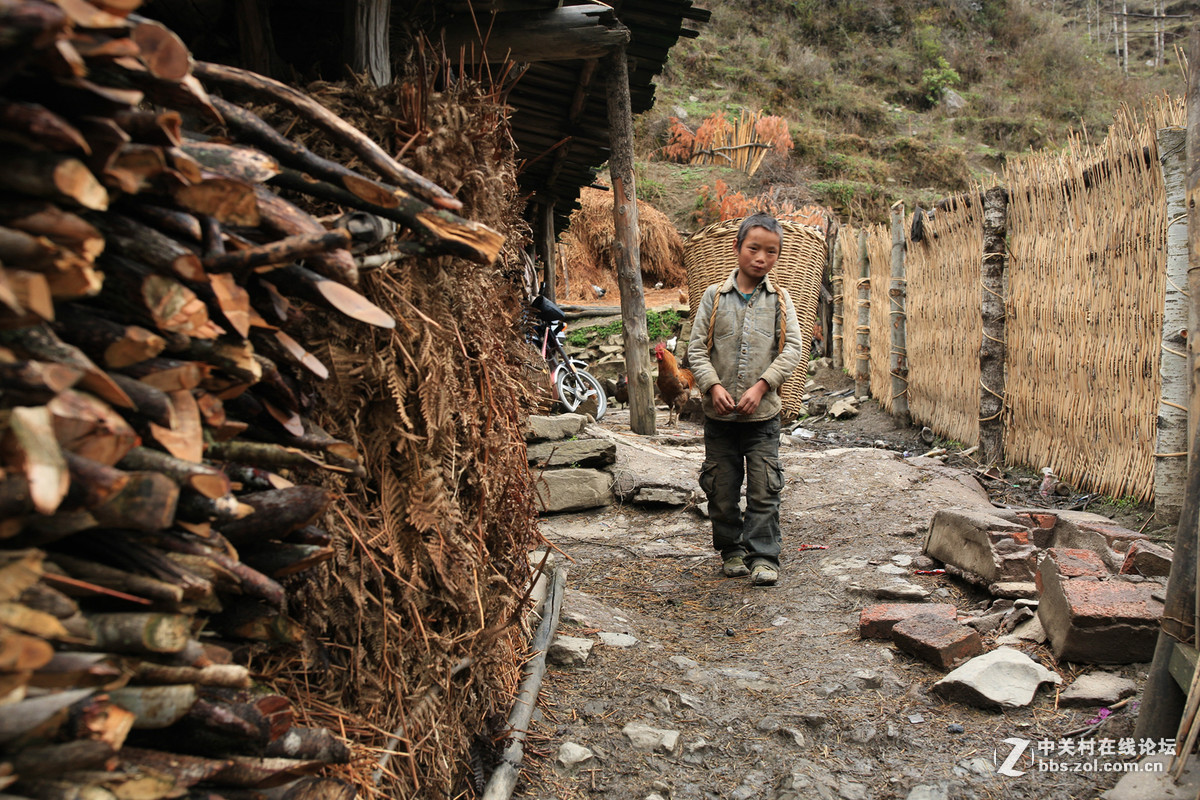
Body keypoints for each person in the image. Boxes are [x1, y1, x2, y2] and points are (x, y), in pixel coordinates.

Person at [687, 213, 804, 586]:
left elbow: (792, 351)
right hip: (719, 420)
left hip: (763, 419)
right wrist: (713, 386)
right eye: (753, 248)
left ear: (778, 257)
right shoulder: (714, 298)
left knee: (763, 488)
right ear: (737, 248)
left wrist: (761, 386)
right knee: (721, 488)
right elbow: (695, 350)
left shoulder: (781, 301)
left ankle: (764, 556)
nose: (761, 257)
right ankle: (732, 550)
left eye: (771, 252)